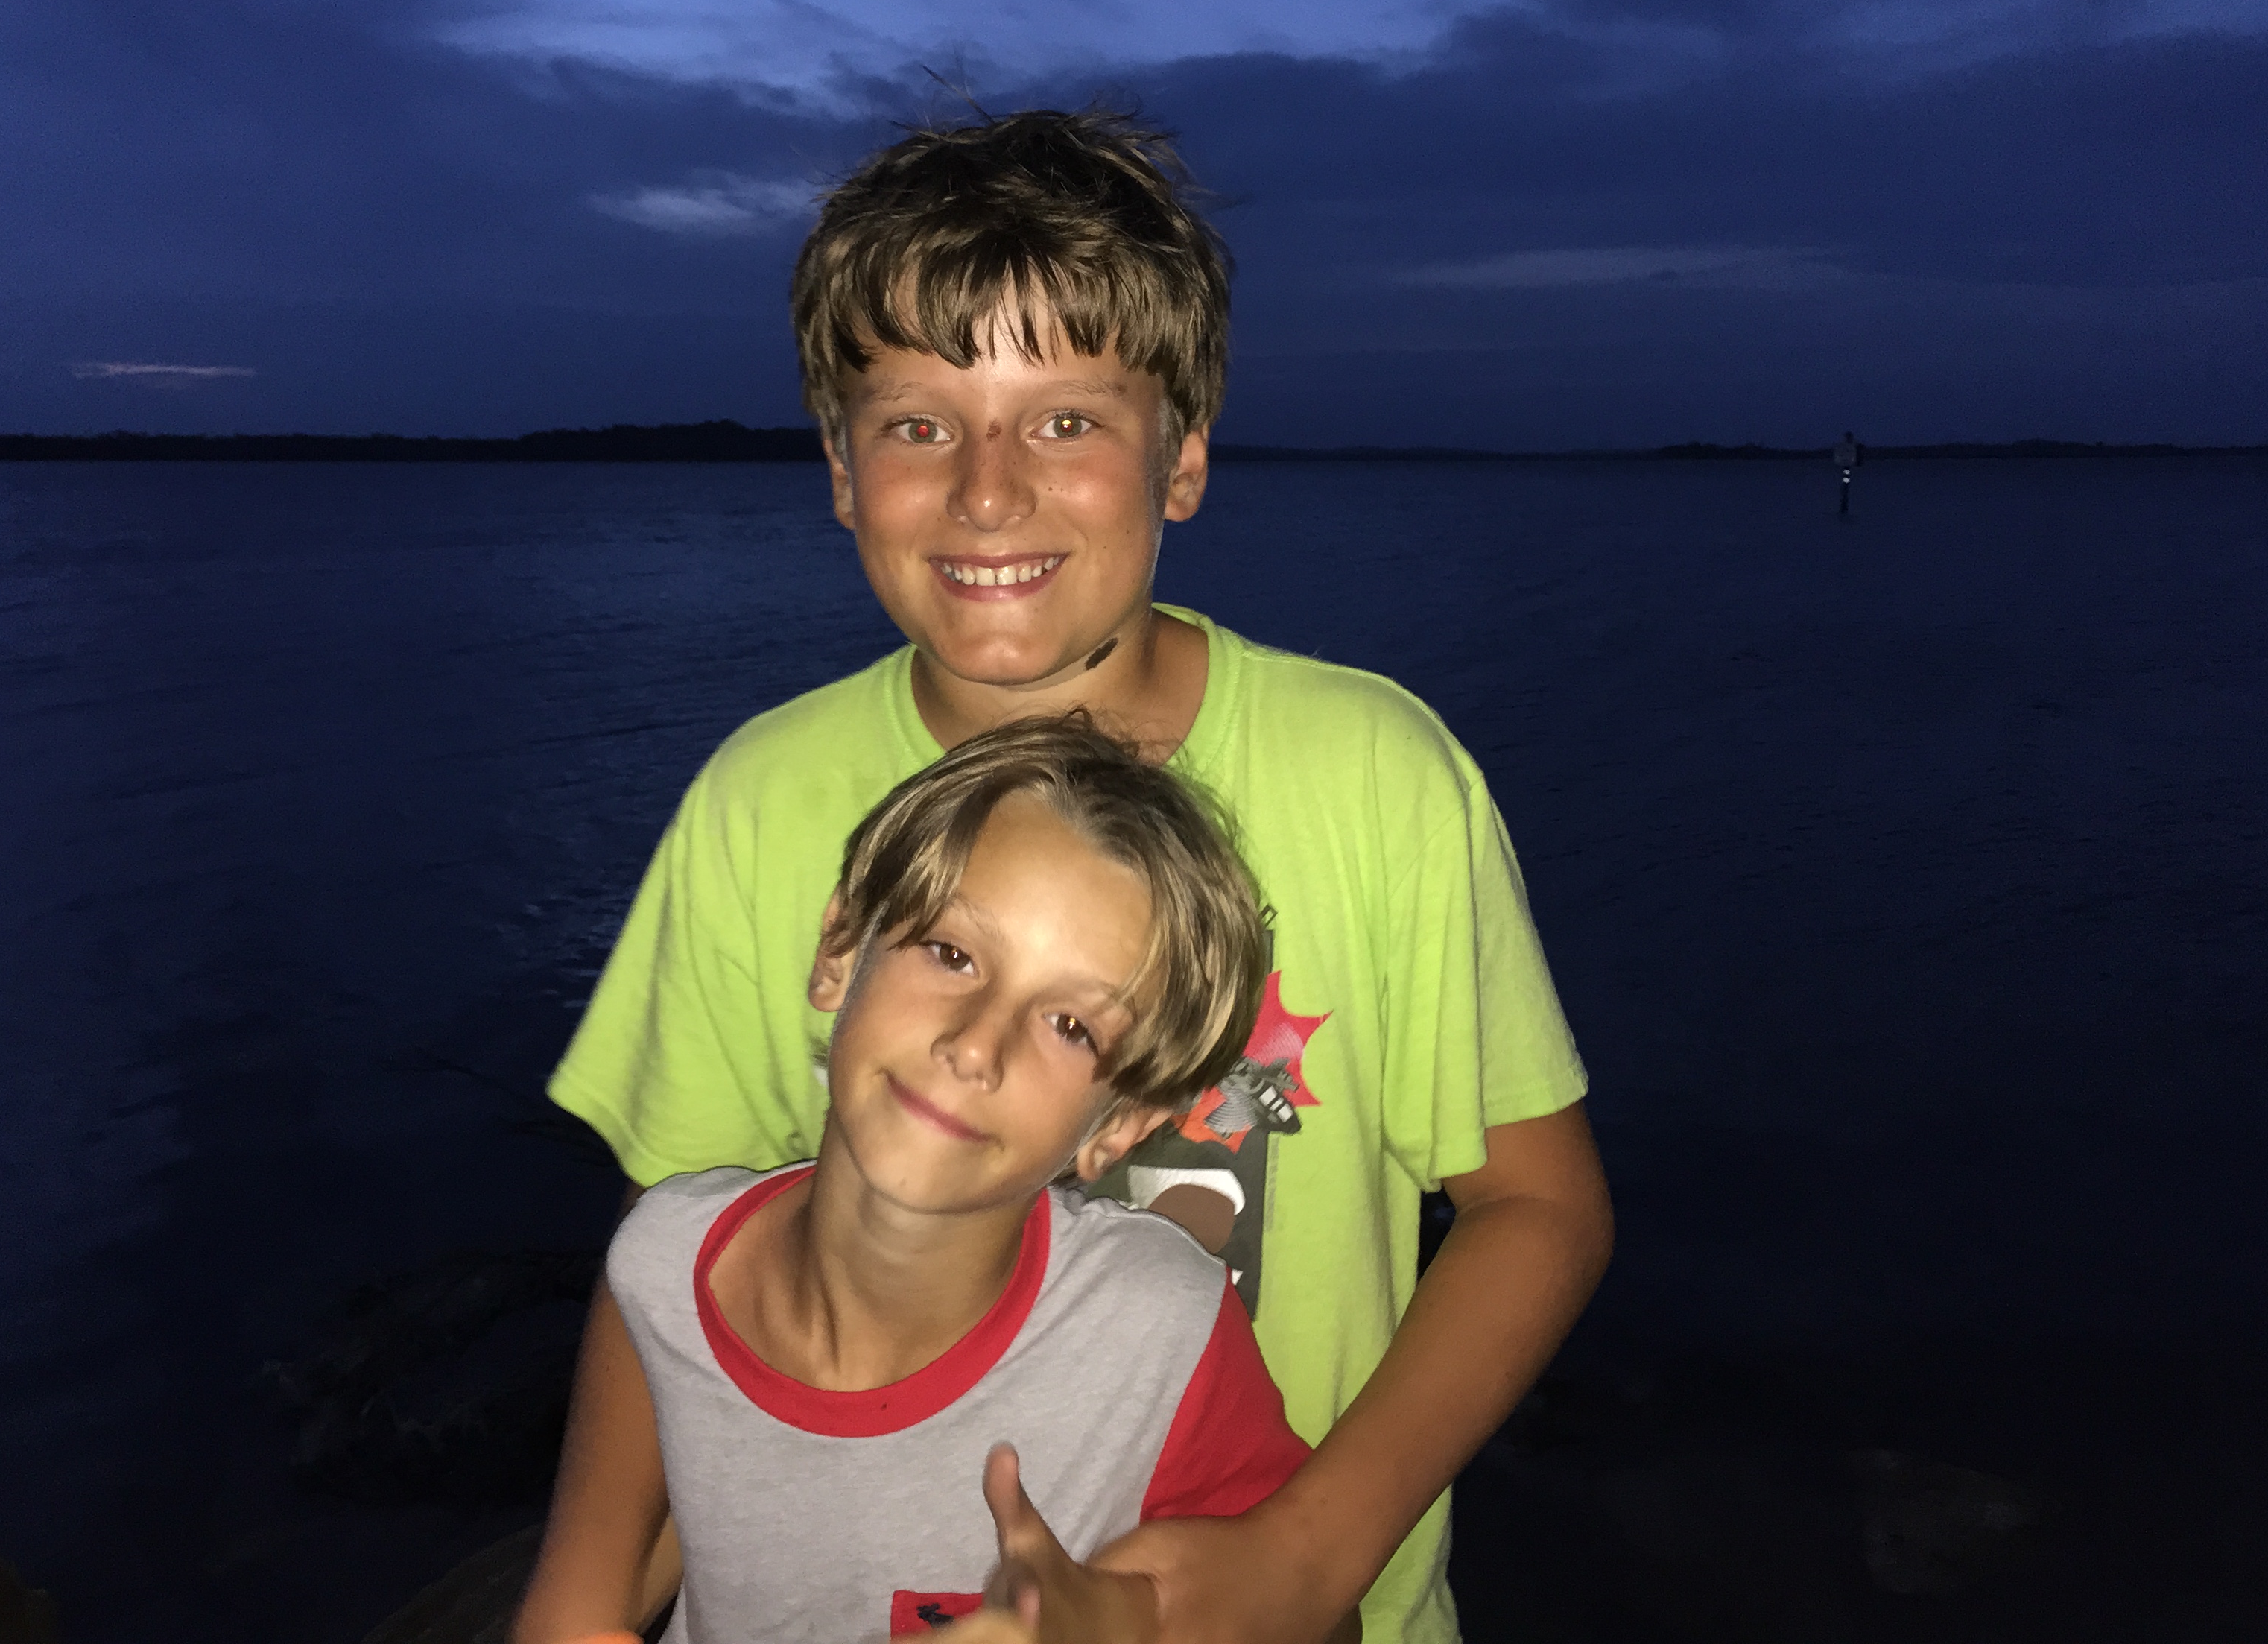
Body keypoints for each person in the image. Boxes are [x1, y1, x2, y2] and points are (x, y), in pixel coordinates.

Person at [545, 107, 1615, 1644]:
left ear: (1182, 456)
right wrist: (583, 1596)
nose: (987, 492)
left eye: (1064, 421)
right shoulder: (759, 802)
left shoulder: (1376, 774)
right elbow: (690, 1258)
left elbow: (1536, 1205)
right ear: (840, 468)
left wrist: (1303, 1557)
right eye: (917, 425)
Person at [511, 716, 1348, 1644]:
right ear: (840, 950)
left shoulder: (1160, 1330)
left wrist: (1130, 1622)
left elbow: (1318, 1621)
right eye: (952, 954)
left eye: (1072, 1026)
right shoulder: (663, 1268)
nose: (977, 1044)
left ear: (1121, 1126)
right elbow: (570, 1614)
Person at [1835, 431, 1863, 514]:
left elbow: (1858, 455)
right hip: (1845, 467)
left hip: (1849, 467)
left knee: (1846, 485)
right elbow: (1838, 456)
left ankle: (1844, 506)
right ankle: (1843, 507)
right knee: (1845, 485)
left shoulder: (1855, 445)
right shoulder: (1843, 445)